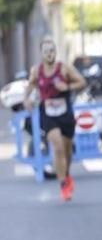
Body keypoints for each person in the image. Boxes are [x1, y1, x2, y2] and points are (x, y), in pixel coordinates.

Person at [24, 39, 86, 201]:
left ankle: (66, 174)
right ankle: (63, 183)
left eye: (52, 50)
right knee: (57, 146)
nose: (49, 54)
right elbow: (30, 86)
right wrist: (27, 99)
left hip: (65, 112)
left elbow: (82, 82)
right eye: (46, 51)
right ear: (41, 53)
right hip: (48, 112)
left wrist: (68, 87)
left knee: (67, 150)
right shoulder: (37, 71)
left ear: (55, 52)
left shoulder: (64, 68)